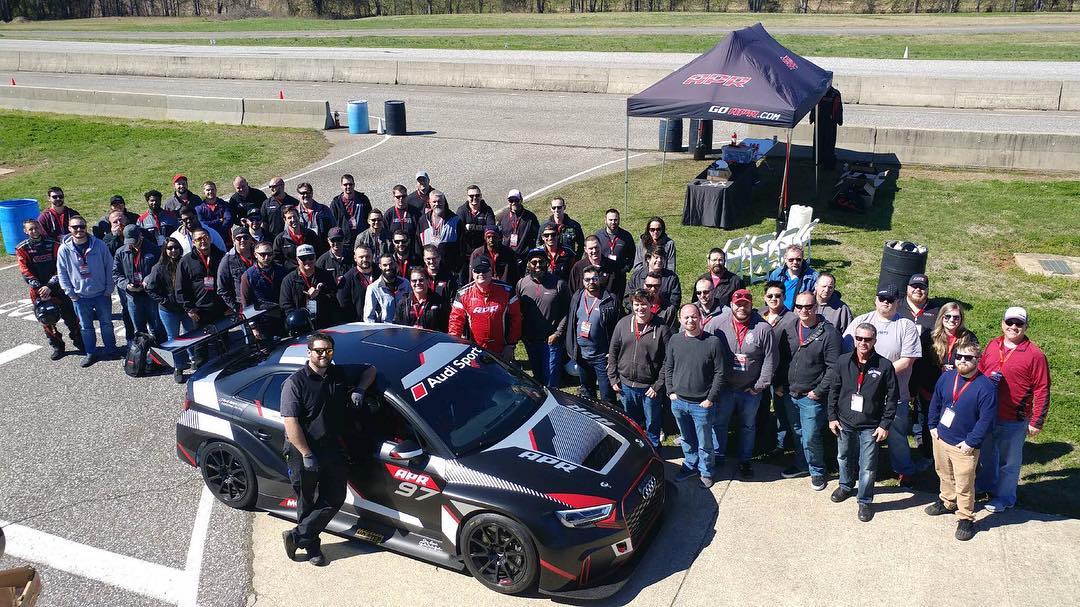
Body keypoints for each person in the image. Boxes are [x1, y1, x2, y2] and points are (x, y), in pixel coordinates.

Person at [281, 332, 377, 567]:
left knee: (335, 496)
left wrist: (360, 389)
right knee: (307, 500)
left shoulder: (338, 373)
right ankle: (312, 548)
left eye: (328, 351)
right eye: (319, 351)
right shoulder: (295, 383)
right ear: (309, 353)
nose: (324, 355)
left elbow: (370, 369)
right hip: (303, 451)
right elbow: (291, 424)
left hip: (331, 447)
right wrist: (306, 453)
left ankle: (297, 536)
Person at [845, 284, 925, 485]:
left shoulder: (905, 325)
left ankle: (904, 470)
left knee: (897, 434)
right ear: (875, 300)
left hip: (894, 393)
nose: (886, 303)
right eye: (882, 299)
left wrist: (878, 375)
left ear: (897, 302)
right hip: (863, 393)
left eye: (890, 300)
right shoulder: (861, 321)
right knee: (861, 432)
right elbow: (847, 351)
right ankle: (858, 468)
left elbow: (908, 360)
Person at [975, 307, 1051, 514]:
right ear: (1002, 324)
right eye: (1009, 322)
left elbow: (1042, 389)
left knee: (1009, 463)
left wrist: (1037, 421)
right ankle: (985, 486)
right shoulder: (993, 344)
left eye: (1019, 323)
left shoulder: (1035, 355)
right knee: (987, 457)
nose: (1013, 327)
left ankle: (1005, 497)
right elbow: (979, 371)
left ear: (1026, 326)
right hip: (987, 414)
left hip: (1014, 418)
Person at [827, 323, 899, 522]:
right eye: (859, 338)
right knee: (843, 457)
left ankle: (865, 500)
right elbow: (834, 390)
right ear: (854, 339)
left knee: (867, 466)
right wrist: (832, 417)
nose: (863, 343)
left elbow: (892, 398)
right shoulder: (843, 361)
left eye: (867, 339)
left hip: (870, 425)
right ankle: (845, 485)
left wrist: (884, 424)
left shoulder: (884, 365)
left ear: (874, 340)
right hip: (844, 422)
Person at [926, 340, 997, 542]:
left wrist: (971, 443)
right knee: (944, 473)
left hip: (964, 446)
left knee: (965, 484)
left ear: (978, 360)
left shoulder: (986, 388)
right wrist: (932, 426)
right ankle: (948, 501)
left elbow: (986, 421)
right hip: (941, 438)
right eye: (959, 356)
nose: (962, 361)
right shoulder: (947, 377)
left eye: (968, 357)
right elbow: (936, 402)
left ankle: (966, 517)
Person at [707, 288, 776, 479]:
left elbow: (770, 360)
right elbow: (705, 347)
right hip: (725, 388)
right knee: (719, 423)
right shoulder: (718, 324)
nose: (741, 308)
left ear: (751, 305)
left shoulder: (763, 328)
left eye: (745, 304)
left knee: (748, 426)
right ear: (731, 305)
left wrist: (759, 386)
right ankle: (718, 456)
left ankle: (745, 460)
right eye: (738, 304)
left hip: (750, 389)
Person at [776, 291, 841, 489]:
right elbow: (782, 359)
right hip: (790, 393)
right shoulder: (790, 327)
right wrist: (779, 384)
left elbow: (833, 368)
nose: (804, 310)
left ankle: (818, 471)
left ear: (816, 307)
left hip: (811, 396)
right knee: (797, 432)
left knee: (811, 436)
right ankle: (802, 465)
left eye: (808, 306)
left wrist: (819, 391)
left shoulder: (829, 333)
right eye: (799, 306)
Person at [665, 304, 727, 488]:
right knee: (686, 438)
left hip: (702, 404)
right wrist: (670, 391)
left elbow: (720, 373)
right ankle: (690, 464)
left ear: (700, 318)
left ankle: (706, 471)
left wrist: (710, 399)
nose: (690, 320)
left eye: (693, 316)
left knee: (705, 442)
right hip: (678, 402)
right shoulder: (675, 340)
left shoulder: (712, 342)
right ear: (680, 320)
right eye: (686, 317)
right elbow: (668, 366)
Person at [608, 288, 671, 448]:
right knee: (631, 423)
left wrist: (658, 385)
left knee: (652, 424)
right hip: (626, 385)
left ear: (651, 305)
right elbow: (613, 351)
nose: (640, 308)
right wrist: (613, 377)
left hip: (649, 388)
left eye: (644, 304)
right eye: (636, 304)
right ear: (632, 305)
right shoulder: (623, 324)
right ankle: (635, 450)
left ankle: (654, 450)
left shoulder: (661, 328)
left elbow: (668, 360)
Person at [56, 215, 119, 367]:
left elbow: (109, 266)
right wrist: (71, 293)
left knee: (106, 324)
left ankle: (111, 349)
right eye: (75, 227)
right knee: (86, 327)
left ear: (86, 227)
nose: (79, 229)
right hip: (80, 297)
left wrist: (109, 288)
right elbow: (62, 272)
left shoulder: (99, 245)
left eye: (82, 226)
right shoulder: (64, 249)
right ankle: (91, 353)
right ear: (69, 229)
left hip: (101, 294)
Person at [16, 218, 83, 359]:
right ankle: (58, 346)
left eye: (36, 227)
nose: (34, 231)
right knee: (46, 319)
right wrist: (40, 287)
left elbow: (62, 267)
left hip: (58, 287)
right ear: (25, 231)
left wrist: (50, 285)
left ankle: (79, 341)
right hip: (38, 290)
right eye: (30, 229)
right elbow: (25, 271)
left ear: (40, 228)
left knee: (72, 317)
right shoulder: (22, 249)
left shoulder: (54, 244)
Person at [449, 257, 522, 361]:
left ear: (491, 271)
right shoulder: (462, 294)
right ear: (472, 273)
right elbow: (455, 322)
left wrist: (511, 345)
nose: (481, 274)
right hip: (474, 351)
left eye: (484, 270)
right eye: (477, 270)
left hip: (502, 349)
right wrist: (455, 346)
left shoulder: (507, 291)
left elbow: (516, 318)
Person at [565, 266, 620, 404]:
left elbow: (618, 330)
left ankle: (609, 416)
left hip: (602, 357)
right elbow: (572, 322)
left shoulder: (610, 300)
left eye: (594, 278)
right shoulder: (577, 296)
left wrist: (613, 354)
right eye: (587, 279)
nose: (591, 282)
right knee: (587, 392)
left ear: (599, 279)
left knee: (607, 395)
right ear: (583, 281)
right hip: (582, 355)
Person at [516, 249, 569, 388]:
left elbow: (567, 312)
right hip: (531, 341)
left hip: (551, 341)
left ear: (547, 263)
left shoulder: (559, 284)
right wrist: (522, 335)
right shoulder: (521, 284)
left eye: (541, 261)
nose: (538, 265)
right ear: (528, 264)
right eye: (534, 262)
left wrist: (558, 333)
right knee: (537, 380)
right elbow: (518, 311)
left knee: (551, 381)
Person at [899, 273, 940, 454]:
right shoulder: (897, 306)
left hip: (927, 367)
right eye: (914, 286)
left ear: (927, 290)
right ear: (907, 288)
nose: (918, 290)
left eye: (922, 287)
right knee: (900, 402)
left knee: (924, 406)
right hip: (902, 366)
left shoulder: (937, 311)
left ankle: (922, 441)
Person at [176, 228, 227, 366]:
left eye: (205, 238)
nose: (203, 241)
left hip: (221, 308)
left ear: (210, 238)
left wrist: (229, 305)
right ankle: (201, 371)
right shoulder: (186, 261)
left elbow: (229, 281)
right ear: (193, 242)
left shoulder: (222, 256)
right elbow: (180, 288)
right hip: (199, 311)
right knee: (200, 345)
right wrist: (189, 309)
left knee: (223, 342)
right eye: (198, 239)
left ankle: (226, 370)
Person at [147, 237, 191, 382]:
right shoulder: (158, 267)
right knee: (174, 338)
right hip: (168, 310)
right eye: (170, 248)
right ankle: (178, 366)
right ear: (164, 250)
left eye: (176, 247)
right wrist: (165, 301)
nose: (173, 250)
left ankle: (194, 359)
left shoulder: (185, 262)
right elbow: (151, 289)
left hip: (185, 307)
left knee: (190, 335)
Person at [761, 279, 797, 456]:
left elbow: (793, 353)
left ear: (784, 297)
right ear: (764, 297)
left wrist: (783, 381)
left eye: (778, 295)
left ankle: (782, 445)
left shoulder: (792, 319)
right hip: (760, 373)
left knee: (781, 410)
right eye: (770, 296)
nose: (774, 299)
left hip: (780, 373)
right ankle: (762, 439)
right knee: (761, 408)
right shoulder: (759, 314)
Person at [113, 224, 165, 343]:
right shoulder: (120, 252)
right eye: (129, 241)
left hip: (151, 295)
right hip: (133, 297)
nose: (132, 244)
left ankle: (161, 351)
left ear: (140, 236)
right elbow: (116, 273)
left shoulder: (154, 249)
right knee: (139, 331)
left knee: (157, 327)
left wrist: (148, 279)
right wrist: (126, 284)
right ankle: (144, 352)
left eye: (134, 241)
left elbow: (160, 269)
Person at [280, 244, 338, 330]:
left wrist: (319, 295)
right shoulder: (288, 280)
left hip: (324, 325)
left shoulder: (326, 276)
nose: (307, 261)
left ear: (315, 257)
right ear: (297, 259)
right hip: (301, 327)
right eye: (303, 258)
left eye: (310, 257)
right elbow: (285, 306)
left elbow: (334, 300)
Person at [239, 241, 288, 341]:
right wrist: (253, 327)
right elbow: (246, 304)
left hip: (282, 318)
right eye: (262, 254)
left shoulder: (281, 270)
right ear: (255, 255)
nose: (266, 257)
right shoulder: (248, 276)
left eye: (269, 254)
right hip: (263, 322)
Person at [570, 235, 626, 302]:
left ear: (601, 246)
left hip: (608, 305)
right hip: (584, 305)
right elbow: (572, 292)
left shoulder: (614, 267)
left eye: (596, 247)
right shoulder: (578, 267)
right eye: (591, 248)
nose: (594, 251)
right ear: (585, 249)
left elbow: (620, 292)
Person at [766, 244, 819, 311]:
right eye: (791, 260)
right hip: (777, 312)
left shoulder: (813, 277)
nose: (795, 262)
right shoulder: (776, 274)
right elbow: (768, 295)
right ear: (785, 259)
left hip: (799, 313)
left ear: (802, 259)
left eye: (798, 259)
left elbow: (817, 301)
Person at [497, 189, 539, 273]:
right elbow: (498, 235)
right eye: (511, 200)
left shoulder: (530, 217)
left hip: (524, 257)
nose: (513, 203)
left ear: (521, 200)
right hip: (506, 256)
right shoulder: (502, 216)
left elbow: (536, 236)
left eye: (516, 200)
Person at [930, 302, 979, 373]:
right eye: (947, 316)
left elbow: (974, 361)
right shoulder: (932, 337)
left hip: (960, 375)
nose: (951, 320)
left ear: (961, 319)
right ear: (941, 317)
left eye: (956, 317)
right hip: (935, 376)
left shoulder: (969, 337)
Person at [217, 226, 255, 315]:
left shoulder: (258, 254)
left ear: (250, 239)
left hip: (262, 300)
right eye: (238, 238)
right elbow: (221, 289)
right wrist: (236, 307)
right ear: (233, 240)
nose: (242, 240)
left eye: (245, 237)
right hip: (243, 305)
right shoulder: (227, 260)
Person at [418, 190, 461, 269]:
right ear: (429, 203)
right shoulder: (423, 221)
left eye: (440, 201)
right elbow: (418, 246)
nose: (437, 204)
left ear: (444, 202)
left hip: (449, 269)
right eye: (434, 202)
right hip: (428, 269)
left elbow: (461, 248)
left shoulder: (456, 221)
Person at [273, 205, 323, 272]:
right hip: (290, 273)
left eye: (294, 216)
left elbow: (319, 252)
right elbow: (277, 259)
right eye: (289, 218)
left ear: (298, 216)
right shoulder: (280, 239)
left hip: (310, 271)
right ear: (285, 220)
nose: (293, 220)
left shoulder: (310, 234)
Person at [329, 173, 370, 251]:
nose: (348, 187)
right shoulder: (336, 203)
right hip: (344, 242)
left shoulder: (363, 199)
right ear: (341, 186)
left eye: (350, 184)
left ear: (354, 185)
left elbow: (369, 218)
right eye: (345, 185)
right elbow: (332, 223)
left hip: (362, 240)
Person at [337, 245, 378, 323]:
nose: (365, 259)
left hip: (380, 322)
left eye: (367, 256)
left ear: (372, 257)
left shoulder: (380, 275)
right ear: (355, 258)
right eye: (361, 257)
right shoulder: (347, 279)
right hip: (358, 324)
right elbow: (343, 304)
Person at [363, 254, 408, 324]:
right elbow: (369, 318)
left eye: (391, 264)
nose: (388, 267)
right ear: (380, 266)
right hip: (384, 328)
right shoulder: (373, 288)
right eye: (385, 265)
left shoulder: (405, 283)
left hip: (404, 327)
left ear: (395, 264)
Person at [456, 185, 496, 262]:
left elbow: (491, 229)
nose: (474, 198)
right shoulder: (461, 211)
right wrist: (482, 228)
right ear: (467, 197)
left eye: (477, 195)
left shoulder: (487, 210)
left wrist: (471, 227)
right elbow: (459, 229)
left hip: (483, 251)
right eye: (471, 196)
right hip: (466, 252)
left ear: (481, 196)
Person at [594, 208, 635, 274]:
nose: (613, 222)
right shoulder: (598, 235)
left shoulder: (626, 236)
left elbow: (633, 255)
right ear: (605, 220)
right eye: (610, 220)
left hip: (620, 274)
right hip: (602, 273)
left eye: (615, 220)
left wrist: (626, 268)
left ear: (619, 220)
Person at [384, 185, 421, 255]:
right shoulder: (389, 214)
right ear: (394, 197)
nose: (401, 199)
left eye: (403, 196)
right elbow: (385, 234)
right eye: (398, 197)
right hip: (394, 252)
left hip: (412, 252)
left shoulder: (415, 213)